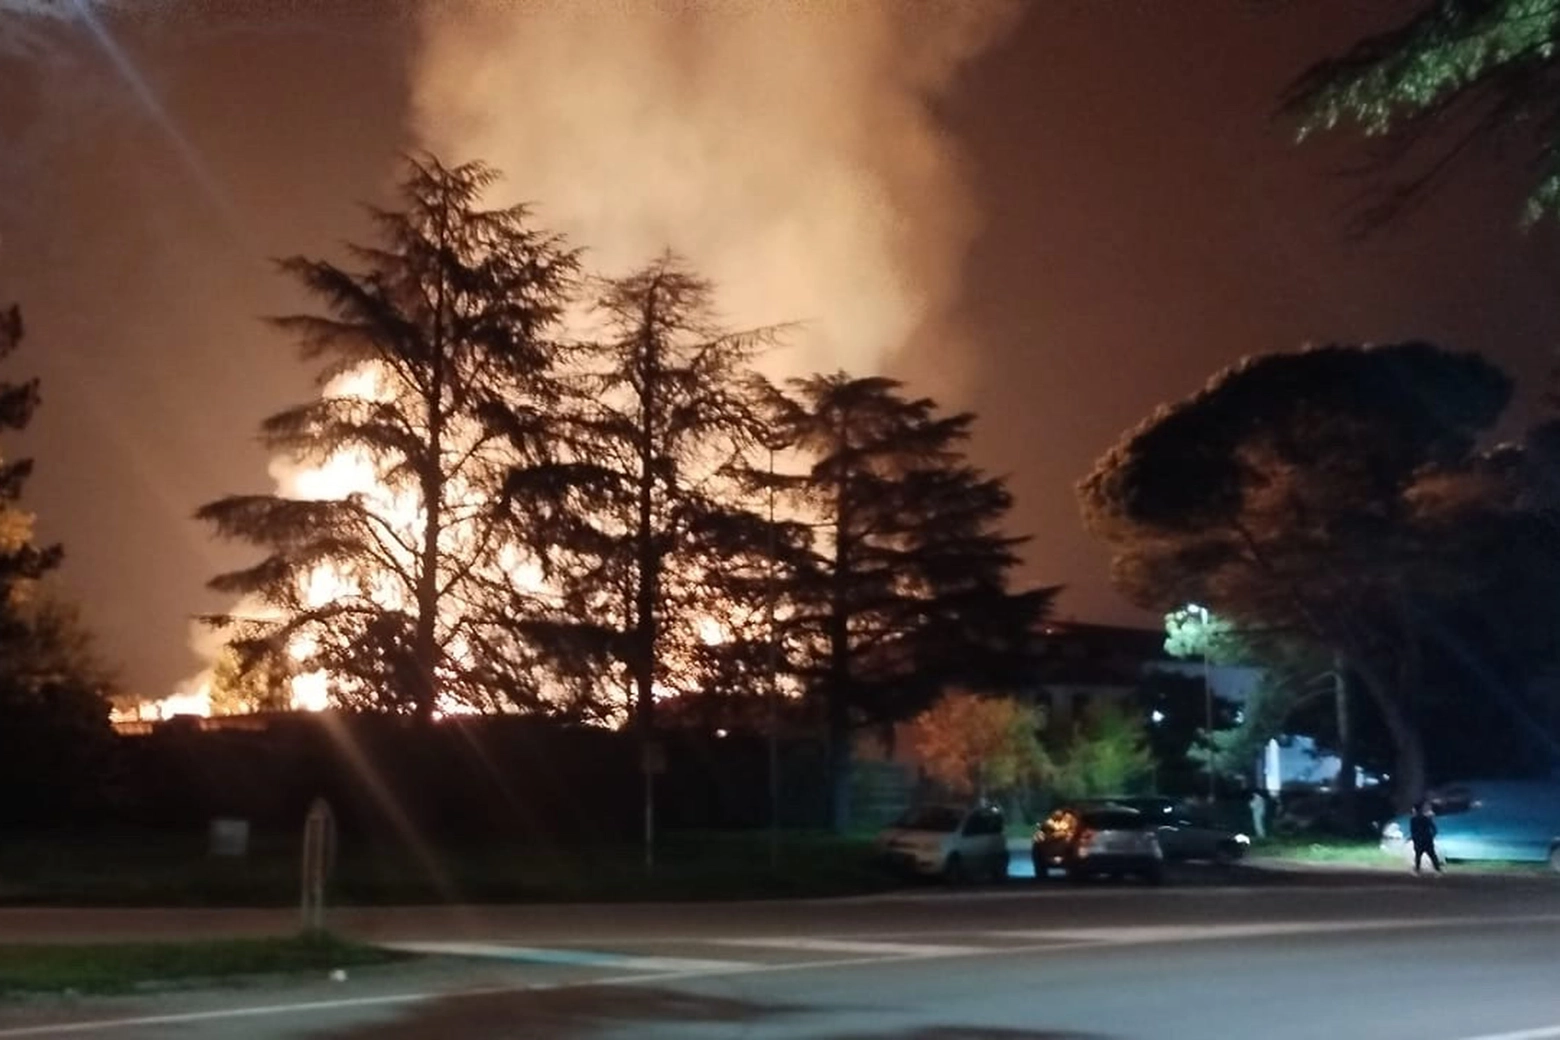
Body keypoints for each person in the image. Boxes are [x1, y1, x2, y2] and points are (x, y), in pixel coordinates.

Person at [1409, 801, 1443, 875]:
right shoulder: (1426, 818)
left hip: (1419, 840)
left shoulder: (1413, 820)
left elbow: (1413, 831)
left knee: (1418, 856)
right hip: (1427, 839)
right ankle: (1438, 870)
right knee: (1432, 855)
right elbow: (1434, 829)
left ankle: (1417, 870)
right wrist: (1431, 836)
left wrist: (1414, 839)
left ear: (1415, 810)